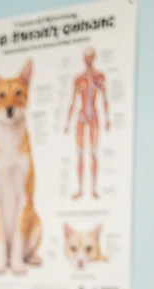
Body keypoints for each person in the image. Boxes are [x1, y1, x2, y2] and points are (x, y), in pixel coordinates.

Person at [64, 47, 110, 200]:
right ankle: (80, 189)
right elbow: (73, 101)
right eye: (86, 57)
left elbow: (104, 98)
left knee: (94, 153)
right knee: (80, 153)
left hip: (94, 116)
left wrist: (108, 119)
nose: (88, 60)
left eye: (90, 57)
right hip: (82, 116)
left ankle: (94, 189)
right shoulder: (79, 79)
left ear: (94, 58)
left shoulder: (99, 77)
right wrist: (67, 122)